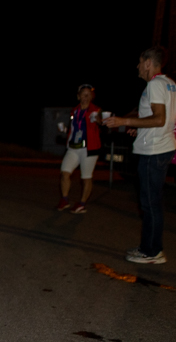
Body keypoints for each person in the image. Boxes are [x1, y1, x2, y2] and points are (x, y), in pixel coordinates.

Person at [104, 46, 176, 264]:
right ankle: (148, 246)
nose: (137, 66)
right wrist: (139, 127)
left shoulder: (154, 84)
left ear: (148, 62)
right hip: (160, 146)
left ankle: (152, 252)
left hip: (153, 150)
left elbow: (159, 118)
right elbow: (161, 119)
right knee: (152, 201)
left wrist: (124, 121)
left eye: (139, 61)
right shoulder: (169, 83)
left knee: (150, 203)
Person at [56, 84, 102, 214]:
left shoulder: (96, 110)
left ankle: (82, 204)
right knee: (65, 173)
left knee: (86, 177)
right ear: (78, 96)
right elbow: (75, 129)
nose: (86, 97)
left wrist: (98, 119)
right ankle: (65, 199)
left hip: (89, 148)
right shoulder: (74, 111)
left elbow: (101, 122)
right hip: (73, 147)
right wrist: (65, 130)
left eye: (88, 95)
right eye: (83, 94)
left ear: (92, 97)